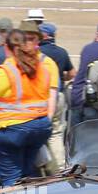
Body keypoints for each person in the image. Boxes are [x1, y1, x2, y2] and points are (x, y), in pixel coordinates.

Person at [0, 22, 57, 187]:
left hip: (11, 129)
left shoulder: (7, 70)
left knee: (10, 178)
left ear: (7, 48)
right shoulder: (42, 67)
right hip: (39, 126)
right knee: (27, 174)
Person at [38, 22, 75, 171]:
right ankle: (59, 166)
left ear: (44, 35)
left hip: (41, 96)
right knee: (56, 133)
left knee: (39, 131)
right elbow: (73, 73)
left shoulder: (38, 52)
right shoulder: (62, 52)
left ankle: (42, 163)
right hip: (58, 95)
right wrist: (61, 78)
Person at [70, 21, 98, 126]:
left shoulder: (86, 48)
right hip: (94, 101)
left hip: (78, 95)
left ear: (97, 34)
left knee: (75, 135)